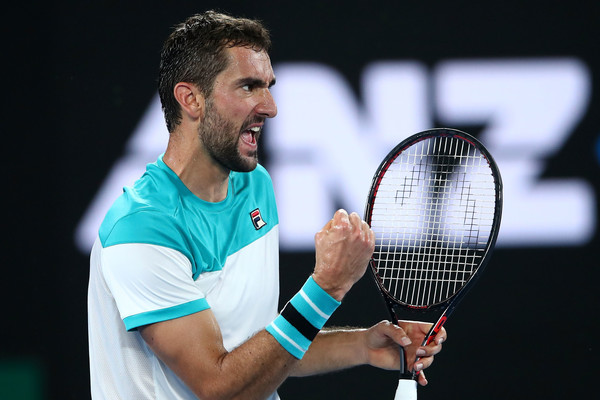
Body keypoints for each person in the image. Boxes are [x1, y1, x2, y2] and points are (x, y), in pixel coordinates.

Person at [87, 10, 446, 400]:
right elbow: (222, 387)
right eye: (248, 87)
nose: (270, 106)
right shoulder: (142, 230)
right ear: (191, 99)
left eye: (268, 86)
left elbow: (256, 353)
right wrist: (328, 287)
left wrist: (361, 345)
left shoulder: (255, 185)